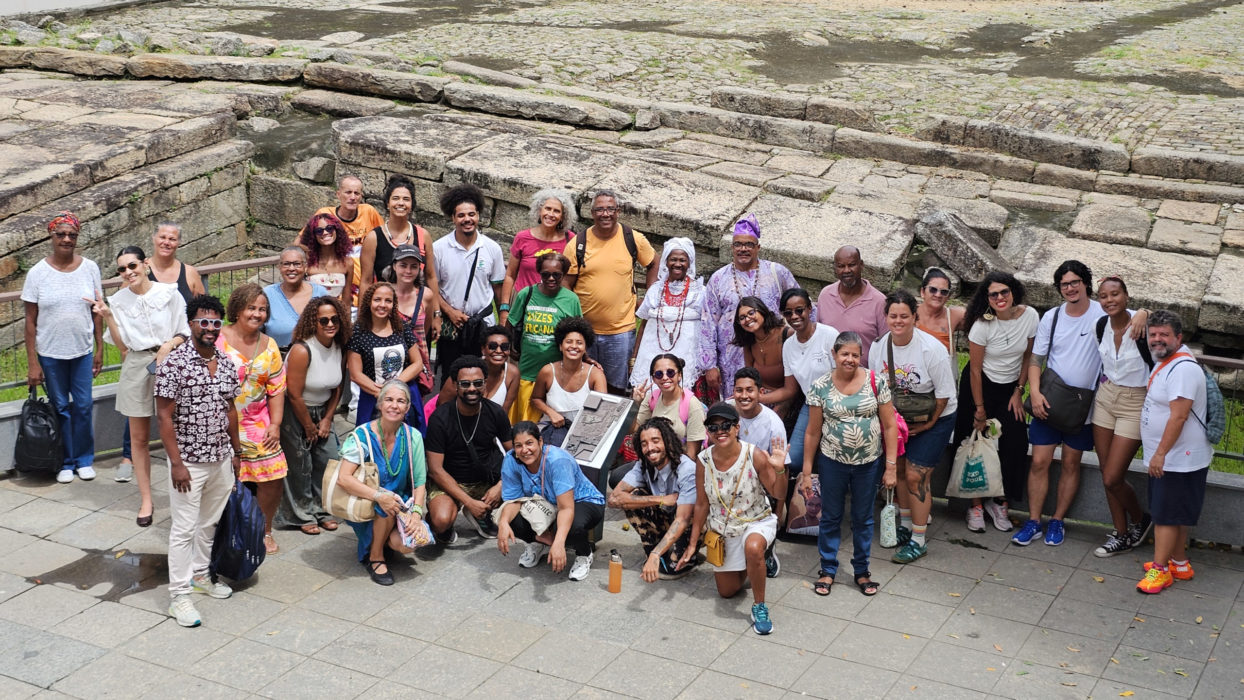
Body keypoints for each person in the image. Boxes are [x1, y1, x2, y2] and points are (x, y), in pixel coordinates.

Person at [1018, 260, 1147, 547]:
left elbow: (1128, 315)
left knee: (1071, 463)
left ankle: (1058, 520)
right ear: (1059, 289)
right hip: (1049, 402)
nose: (1070, 288)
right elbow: (1037, 359)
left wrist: (1144, 312)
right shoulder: (1051, 317)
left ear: (1086, 284)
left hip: (1085, 407)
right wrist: (1034, 392)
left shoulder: (1102, 313)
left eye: (1075, 282)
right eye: (1064, 284)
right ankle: (1033, 520)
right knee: (1039, 461)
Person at [154, 294, 242, 627]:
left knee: (209, 524)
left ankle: (201, 576)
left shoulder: (226, 361)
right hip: (188, 461)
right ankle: (178, 597)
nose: (209, 328)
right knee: (183, 530)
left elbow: (230, 408)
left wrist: (237, 451)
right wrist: (175, 462)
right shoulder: (175, 363)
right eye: (203, 322)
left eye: (215, 322)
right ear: (191, 324)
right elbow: (163, 415)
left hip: (221, 457)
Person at [88, 246, 190, 526]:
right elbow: (122, 346)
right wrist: (108, 315)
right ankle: (146, 499)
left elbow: (185, 330)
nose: (128, 272)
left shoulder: (169, 292)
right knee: (139, 439)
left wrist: (169, 345)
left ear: (145, 264)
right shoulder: (118, 300)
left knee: (180, 431)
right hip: (136, 364)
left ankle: (186, 492)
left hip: (170, 360)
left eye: (132, 266)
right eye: (122, 269)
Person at [800, 332, 898, 598]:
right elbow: (812, 432)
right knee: (831, 516)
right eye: (845, 354)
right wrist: (807, 472)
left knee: (863, 519)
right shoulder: (820, 386)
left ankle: (862, 571)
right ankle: (827, 569)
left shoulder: (876, 381)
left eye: (855, 355)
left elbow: (889, 426)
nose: (850, 359)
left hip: (869, 463)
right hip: (833, 462)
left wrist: (891, 467)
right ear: (834, 354)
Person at [868, 290, 957, 565]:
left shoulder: (932, 350)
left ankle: (918, 540)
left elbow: (944, 395)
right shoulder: (879, 347)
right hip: (899, 419)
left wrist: (929, 424)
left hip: (936, 417)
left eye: (904, 316)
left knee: (918, 476)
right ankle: (905, 525)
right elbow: (876, 388)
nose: (898, 321)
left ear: (914, 318)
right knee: (902, 470)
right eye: (893, 316)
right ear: (886, 318)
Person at [680, 403, 786, 636]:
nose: (721, 431)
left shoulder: (754, 455)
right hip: (724, 530)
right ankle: (757, 562)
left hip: (756, 520)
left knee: (753, 547)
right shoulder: (703, 460)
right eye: (714, 427)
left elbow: (778, 494)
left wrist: (779, 470)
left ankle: (759, 605)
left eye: (726, 425)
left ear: (737, 428)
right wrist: (692, 544)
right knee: (727, 592)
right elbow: (701, 503)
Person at [953, 271, 1038, 534]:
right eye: (994, 294)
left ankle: (1000, 502)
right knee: (973, 441)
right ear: (986, 298)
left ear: (1013, 292)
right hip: (979, 387)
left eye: (1004, 292)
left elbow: (1029, 357)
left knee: (1016, 441)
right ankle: (975, 505)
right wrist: (980, 409)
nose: (1000, 298)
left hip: (1010, 388)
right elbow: (975, 370)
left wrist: (1019, 391)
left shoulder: (1031, 316)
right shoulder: (981, 325)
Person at [1136, 311, 1214, 594]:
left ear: (1178, 338)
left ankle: (1160, 571)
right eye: (1153, 334)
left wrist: (1160, 454)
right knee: (1175, 512)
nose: (1157, 340)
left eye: (1164, 335)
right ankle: (1179, 562)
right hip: (1177, 457)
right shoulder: (1168, 362)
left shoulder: (1181, 369)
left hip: (1177, 458)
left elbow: (1178, 417)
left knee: (1165, 515)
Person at [22, 212, 103, 484]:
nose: (66, 239)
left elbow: (97, 312)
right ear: (51, 236)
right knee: (60, 407)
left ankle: (84, 459)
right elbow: (30, 321)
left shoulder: (90, 268)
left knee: (82, 405)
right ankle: (65, 461)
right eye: (61, 234)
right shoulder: (37, 273)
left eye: (72, 235)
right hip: (50, 353)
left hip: (82, 351)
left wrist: (100, 348)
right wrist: (33, 363)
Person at [217, 284, 288, 555]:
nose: (257, 314)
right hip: (221, 421)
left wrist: (275, 424)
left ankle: (264, 529)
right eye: (251, 308)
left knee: (274, 475)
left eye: (262, 309)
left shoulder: (269, 345)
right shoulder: (218, 338)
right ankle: (224, 529)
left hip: (257, 422)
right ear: (237, 308)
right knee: (222, 479)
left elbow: (277, 388)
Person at [336, 380, 430, 586]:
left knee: (406, 546)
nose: (394, 405)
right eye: (388, 399)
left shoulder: (413, 436)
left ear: (407, 408)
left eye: (400, 401)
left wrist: (416, 513)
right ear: (379, 404)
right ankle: (375, 556)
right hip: (367, 500)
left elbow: (420, 481)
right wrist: (378, 496)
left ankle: (385, 537)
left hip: (401, 502)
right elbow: (344, 478)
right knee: (386, 505)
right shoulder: (363, 435)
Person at [563, 190, 658, 394]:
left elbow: (653, 262)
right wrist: (575, 321)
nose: (605, 214)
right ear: (592, 212)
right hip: (585, 331)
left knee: (616, 387)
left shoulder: (632, 238)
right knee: (583, 383)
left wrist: (649, 296)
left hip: (620, 331)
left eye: (610, 209)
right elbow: (566, 283)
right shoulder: (578, 243)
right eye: (600, 209)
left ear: (618, 211)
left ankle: (613, 426)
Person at [698, 214, 798, 400]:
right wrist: (710, 365)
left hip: (771, 358)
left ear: (758, 247)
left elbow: (800, 305)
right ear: (732, 247)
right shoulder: (718, 278)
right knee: (735, 408)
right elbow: (708, 321)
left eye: (749, 244)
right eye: (738, 244)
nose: (743, 249)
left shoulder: (777, 272)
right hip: (730, 359)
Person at [1091, 276, 1153, 558]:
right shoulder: (1101, 325)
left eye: (1115, 294)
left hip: (1134, 401)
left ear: (1126, 296)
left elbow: (1174, 330)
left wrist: (1146, 312)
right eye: (1104, 296)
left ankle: (1141, 519)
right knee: (1106, 472)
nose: (1109, 300)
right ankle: (1121, 534)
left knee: (1113, 477)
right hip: (1105, 398)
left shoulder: (1143, 326)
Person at [276, 296, 348, 536]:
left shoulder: (340, 346)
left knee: (328, 460)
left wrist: (328, 419)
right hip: (296, 410)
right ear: (313, 323)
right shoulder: (302, 349)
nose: (330, 324)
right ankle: (302, 512)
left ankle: (322, 509)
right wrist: (308, 425)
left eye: (334, 319)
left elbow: (337, 387)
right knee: (300, 464)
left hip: (323, 408)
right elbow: (294, 394)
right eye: (323, 320)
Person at [497, 422, 605, 581]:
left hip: (582, 502)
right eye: (518, 445)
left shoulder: (557, 460)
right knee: (510, 518)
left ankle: (584, 553)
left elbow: (566, 508)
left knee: (571, 528)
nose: (524, 450)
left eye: (529, 443)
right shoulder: (511, 459)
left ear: (540, 442)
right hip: (546, 504)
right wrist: (503, 523)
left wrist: (559, 542)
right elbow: (514, 500)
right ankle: (538, 543)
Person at [425, 356, 514, 542]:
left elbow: (516, 454)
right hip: (451, 480)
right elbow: (435, 470)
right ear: (456, 386)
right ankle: (443, 526)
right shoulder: (440, 419)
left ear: (485, 385)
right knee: (441, 520)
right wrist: (469, 502)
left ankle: (481, 515)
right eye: (465, 384)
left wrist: (501, 485)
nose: (472, 388)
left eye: (477, 383)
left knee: (522, 498)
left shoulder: (495, 412)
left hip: (486, 478)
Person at [608, 417, 699, 581]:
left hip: (689, 523)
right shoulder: (643, 464)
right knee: (634, 498)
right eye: (644, 444)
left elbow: (683, 519)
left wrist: (657, 553)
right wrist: (660, 499)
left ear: (668, 441)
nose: (650, 448)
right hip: (666, 514)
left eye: (655, 441)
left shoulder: (687, 469)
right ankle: (655, 551)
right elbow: (614, 498)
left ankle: (684, 557)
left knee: (689, 512)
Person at [434, 183, 506, 372]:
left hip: (484, 325)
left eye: (471, 214)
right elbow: (431, 287)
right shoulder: (439, 248)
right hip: (453, 327)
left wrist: (503, 323)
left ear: (479, 215)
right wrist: (449, 312)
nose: (467, 219)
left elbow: (498, 287)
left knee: (483, 377)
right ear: (453, 217)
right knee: (450, 378)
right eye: (461, 215)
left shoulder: (492, 248)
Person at [507, 252, 583, 424]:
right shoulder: (526, 294)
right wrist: (509, 348)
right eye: (545, 274)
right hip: (527, 373)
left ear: (563, 275)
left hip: (556, 378)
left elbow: (578, 334)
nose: (551, 278)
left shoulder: (571, 300)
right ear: (539, 273)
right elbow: (510, 324)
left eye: (556, 274)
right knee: (524, 426)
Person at [357, 175, 441, 329]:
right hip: (383, 314)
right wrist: (363, 319)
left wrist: (436, 313)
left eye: (406, 199)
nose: (401, 203)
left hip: (416, 315)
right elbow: (366, 281)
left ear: (412, 204)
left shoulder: (423, 236)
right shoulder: (374, 238)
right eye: (395, 198)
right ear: (388, 203)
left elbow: (430, 276)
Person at [771, 288, 837, 478]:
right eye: (788, 313)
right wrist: (759, 397)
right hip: (811, 404)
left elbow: (844, 375)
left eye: (799, 310)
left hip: (837, 403)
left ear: (809, 309)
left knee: (830, 458)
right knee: (795, 459)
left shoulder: (829, 335)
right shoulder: (789, 346)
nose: (794, 316)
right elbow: (790, 389)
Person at [730, 367, 789, 578]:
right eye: (739, 390)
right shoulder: (726, 412)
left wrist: (779, 511)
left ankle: (768, 548)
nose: (744, 396)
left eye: (749, 390)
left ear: (760, 392)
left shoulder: (773, 423)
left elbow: (783, 466)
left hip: (761, 485)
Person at [628, 237, 705, 392]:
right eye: (673, 259)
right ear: (665, 262)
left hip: (687, 353)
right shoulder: (655, 290)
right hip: (652, 351)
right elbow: (643, 323)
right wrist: (634, 358)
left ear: (689, 263)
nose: (677, 264)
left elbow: (708, 327)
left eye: (682, 260)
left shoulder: (699, 292)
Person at [346, 282, 424, 428]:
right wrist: (383, 395)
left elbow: (417, 363)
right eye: (377, 300)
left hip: (404, 396)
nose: (382, 305)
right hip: (372, 398)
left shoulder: (401, 326)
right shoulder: (358, 331)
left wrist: (395, 388)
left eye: (388, 301)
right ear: (369, 302)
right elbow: (355, 374)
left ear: (393, 304)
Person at [499, 188, 576, 326]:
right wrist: (504, 308)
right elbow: (510, 275)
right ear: (540, 210)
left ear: (563, 216)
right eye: (547, 208)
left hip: (553, 304)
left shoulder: (570, 239)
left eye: (556, 211)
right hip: (523, 301)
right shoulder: (522, 238)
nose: (551, 214)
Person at [531, 317, 608, 445]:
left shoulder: (595, 375)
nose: (574, 346)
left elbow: (602, 408)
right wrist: (551, 413)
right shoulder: (548, 371)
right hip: (553, 428)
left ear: (585, 348)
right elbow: (535, 399)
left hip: (586, 429)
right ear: (561, 346)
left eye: (579, 343)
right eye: (569, 342)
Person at [315, 175, 384, 310]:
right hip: (335, 288)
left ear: (361, 196)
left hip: (366, 288)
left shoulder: (369, 212)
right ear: (338, 194)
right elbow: (302, 244)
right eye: (348, 192)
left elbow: (384, 240)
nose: (352, 197)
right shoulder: (325, 215)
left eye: (356, 193)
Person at [816, 246, 887, 364]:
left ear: (861, 265)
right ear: (835, 268)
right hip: (830, 376)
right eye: (841, 266)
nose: (846, 270)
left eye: (852, 265)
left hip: (865, 378)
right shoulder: (825, 295)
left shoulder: (879, 302)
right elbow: (819, 337)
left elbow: (886, 346)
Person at [629, 353, 706, 460]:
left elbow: (692, 455)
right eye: (659, 374)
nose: (665, 378)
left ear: (679, 375)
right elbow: (633, 429)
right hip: (653, 460)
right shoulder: (652, 398)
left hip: (680, 464)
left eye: (670, 373)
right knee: (617, 475)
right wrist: (636, 404)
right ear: (654, 379)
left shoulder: (692, 404)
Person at [732, 297, 793, 421]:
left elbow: (791, 390)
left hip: (786, 399)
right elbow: (749, 378)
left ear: (762, 311)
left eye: (751, 313)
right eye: (742, 318)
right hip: (758, 396)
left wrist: (756, 399)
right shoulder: (749, 341)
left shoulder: (786, 335)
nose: (747, 319)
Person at [436, 326, 520, 414]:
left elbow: (504, 413)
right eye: (493, 346)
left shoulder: (513, 374)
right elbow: (442, 406)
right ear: (483, 349)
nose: (499, 351)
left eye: (504, 347)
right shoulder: (465, 370)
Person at [390, 244, 436, 396]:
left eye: (413, 266)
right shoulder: (384, 292)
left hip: (417, 359)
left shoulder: (426, 295)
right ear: (394, 266)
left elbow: (425, 328)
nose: (408, 271)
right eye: (403, 265)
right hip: (390, 358)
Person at [263, 246, 329, 351]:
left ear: (305, 267)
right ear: (279, 267)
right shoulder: (267, 295)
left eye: (297, 264)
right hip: (277, 362)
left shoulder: (320, 293)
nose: (291, 268)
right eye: (286, 264)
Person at [297, 211, 353, 308]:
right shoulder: (306, 262)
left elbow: (346, 302)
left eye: (329, 228)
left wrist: (346, 322)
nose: (325, 233)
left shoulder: (347, 263)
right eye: (319, 231)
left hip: (334, 317)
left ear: (337, 230)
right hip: (309, 315)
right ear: (313, 236)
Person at [147, 223, 207, 302]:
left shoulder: (190, 273)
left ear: (179, 242)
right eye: (162, 237)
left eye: (172, 239)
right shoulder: (138, 270)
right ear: (153, 238)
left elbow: (203, 308)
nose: (166, 242)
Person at [915, 267, 964, 355]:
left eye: (944, 292)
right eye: (933, 290)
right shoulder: (910, 312)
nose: (938, 295)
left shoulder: (955, 315)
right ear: (922, 292)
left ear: (948, 297)